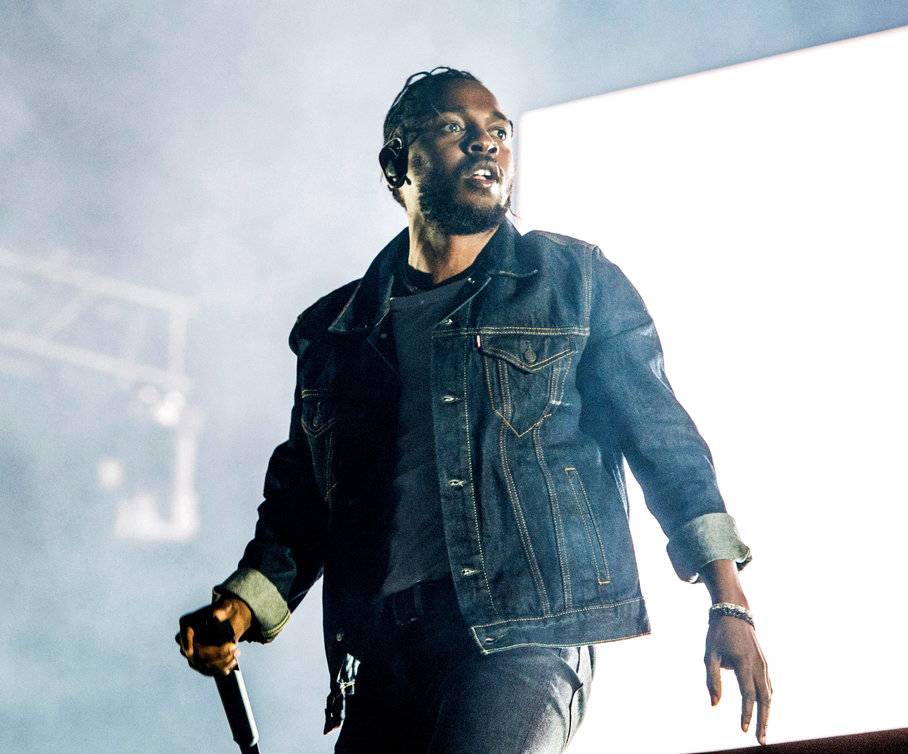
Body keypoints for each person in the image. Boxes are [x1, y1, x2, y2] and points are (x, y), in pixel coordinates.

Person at [177, 66, 771, 752]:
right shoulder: (335, 332)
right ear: (398, 161)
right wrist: (239, 607)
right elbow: (303, 510)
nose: (485, 145)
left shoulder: (575, 284)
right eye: (456, 129)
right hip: (381, 653)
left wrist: (728, 600)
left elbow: (664, 442)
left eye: (498, 132)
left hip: (522, 639)